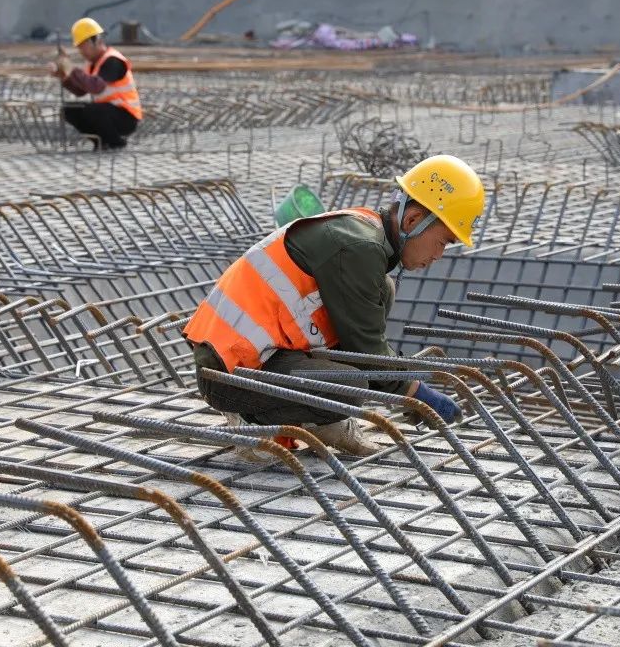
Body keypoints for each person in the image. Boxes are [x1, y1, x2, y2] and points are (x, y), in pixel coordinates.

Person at [184, 155, 485, 456]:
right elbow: (368, 353)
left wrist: (402, 384)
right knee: (348, 389)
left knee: (383, 290)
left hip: (264, 357)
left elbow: (363, 345)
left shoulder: (366, 234)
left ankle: (320, 417)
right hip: (229, 373)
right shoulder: (360, 248)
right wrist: (415, 393)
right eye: (443, 242)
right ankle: (252, 420)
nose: (438, 256)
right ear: (413, 220)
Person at [48, 17, 142, 150]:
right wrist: (64, 77)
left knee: (94, 110)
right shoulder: (91, 64)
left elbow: (96, 87)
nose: (81, 51)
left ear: (96, 40)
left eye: (83, 46)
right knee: (70, 110)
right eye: (79, 47)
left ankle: (116, 143)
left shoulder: (113, 61)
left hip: (126, 117)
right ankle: (100, 141)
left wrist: (72, 69)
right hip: (108, 113)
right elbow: (81, 91)